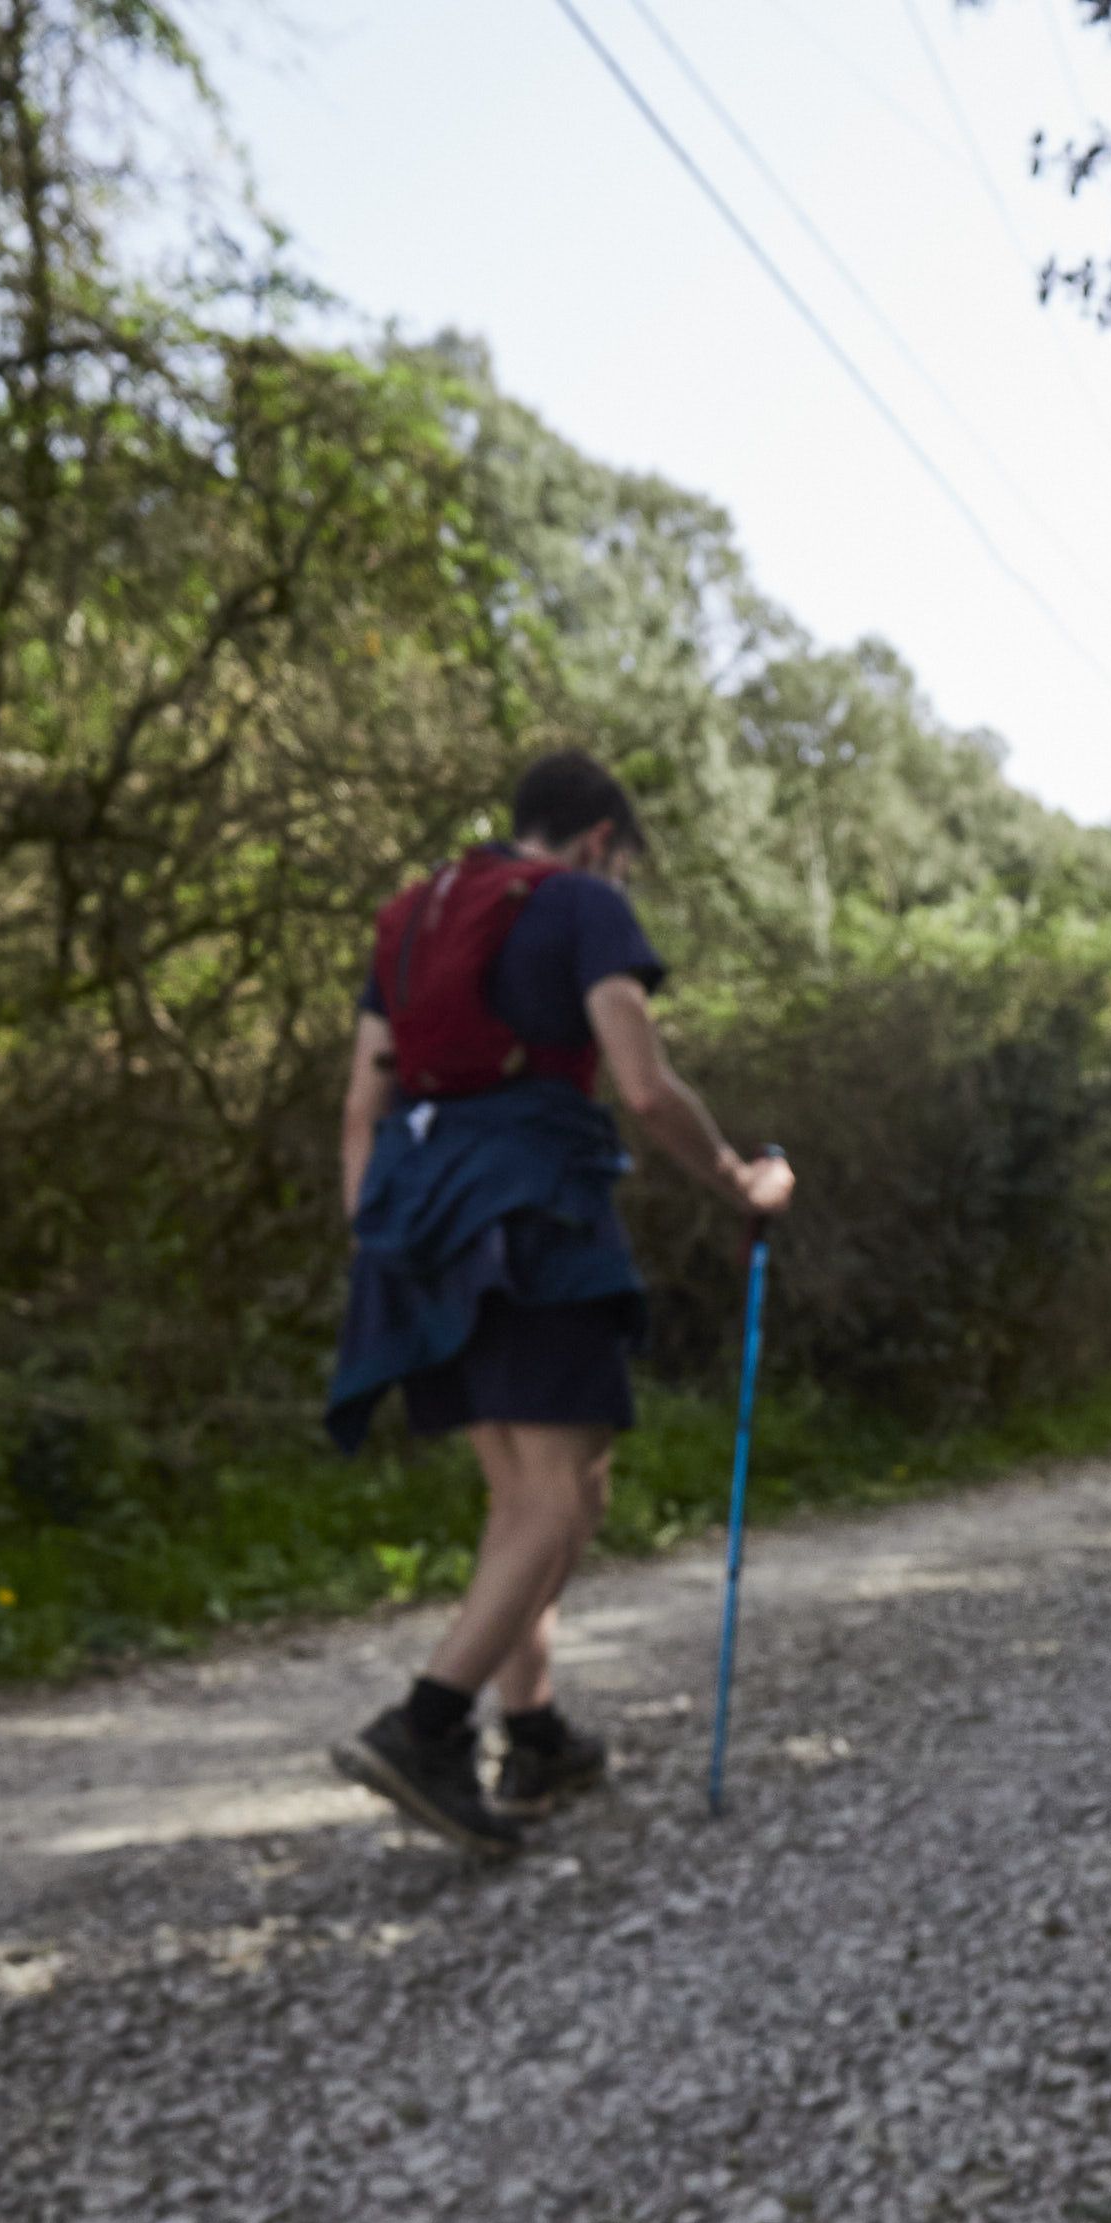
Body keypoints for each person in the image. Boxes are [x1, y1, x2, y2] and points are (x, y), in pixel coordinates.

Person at [323, 750, 794, 1856]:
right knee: (560, 1500)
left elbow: (363, 1102)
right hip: (536, 1217)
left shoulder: (409, 920)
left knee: (523, 1496)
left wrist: (377, 1237)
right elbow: (639, 1081)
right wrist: (738, 1179)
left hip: (419, 1221)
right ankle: (426, 1725)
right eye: (626, 865)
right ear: (599, 841)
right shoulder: (581, 905)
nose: (622, 885)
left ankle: (532, 1737)